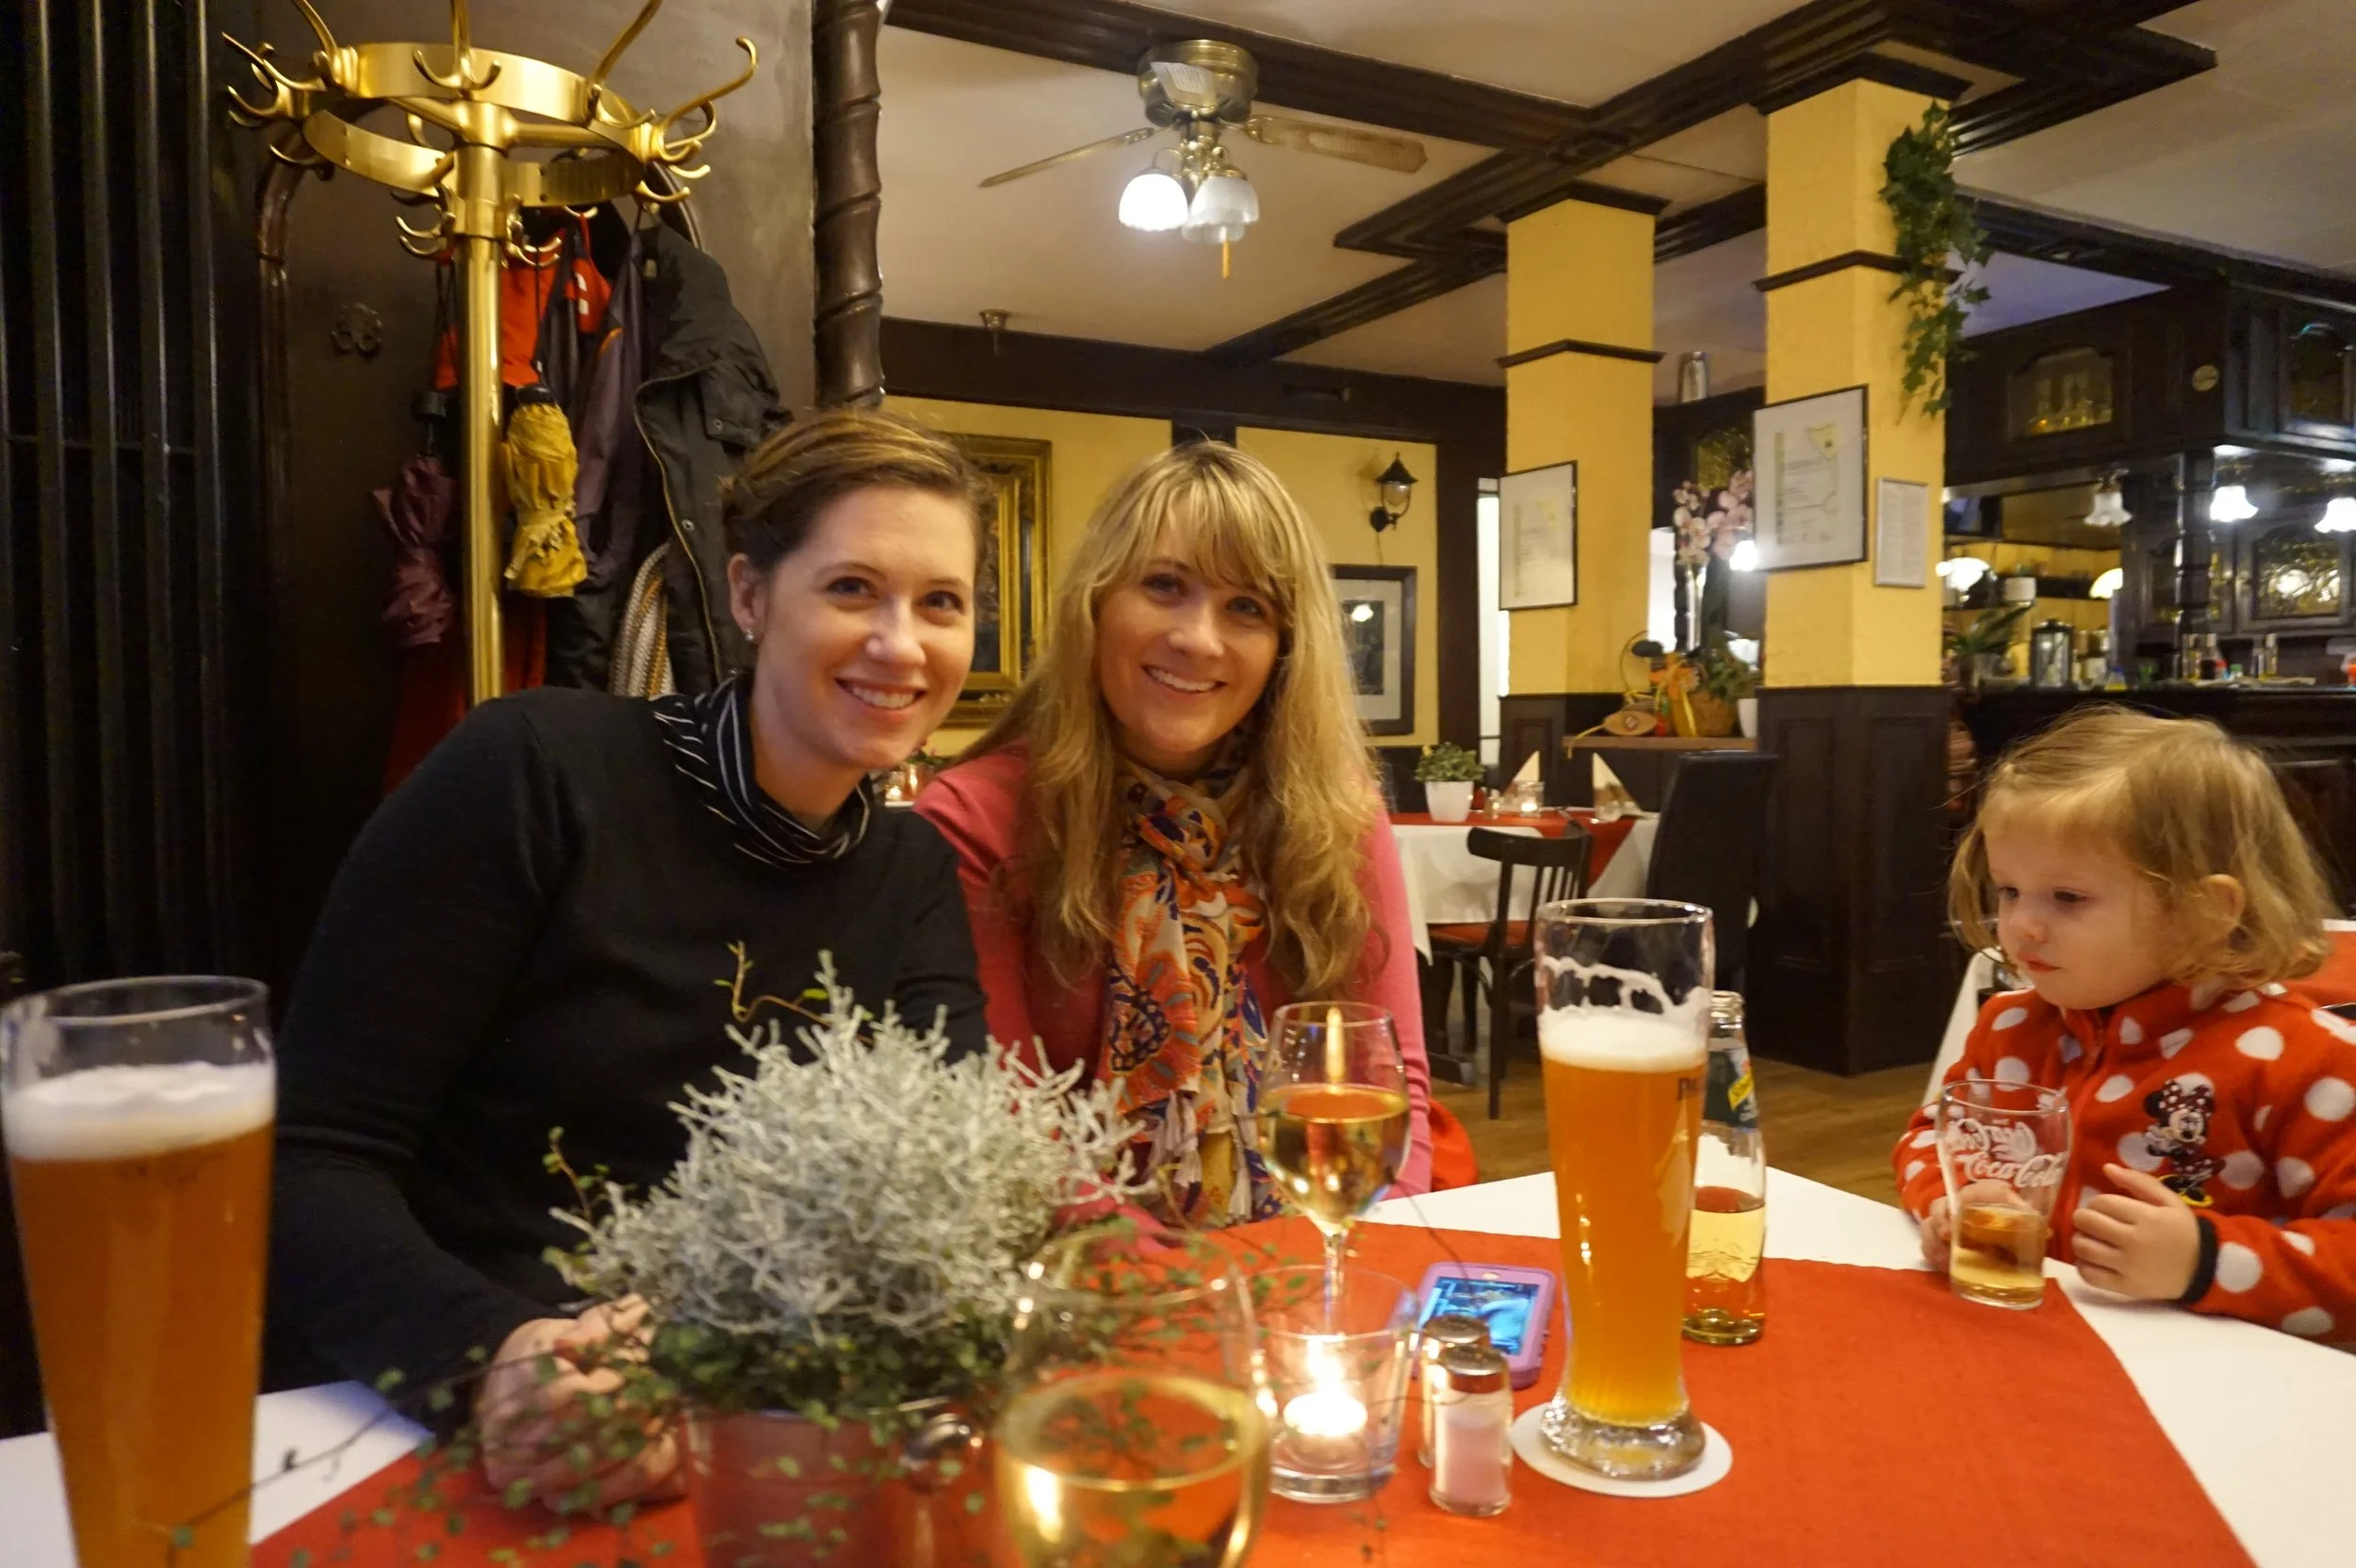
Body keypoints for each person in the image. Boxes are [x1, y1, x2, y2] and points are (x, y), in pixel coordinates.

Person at [270, 408, 991, 1504]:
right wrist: (494, 1362)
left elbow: (948, 1181)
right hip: (457, 1415)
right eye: (852, 588)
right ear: (749, 595)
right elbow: (310, 1160)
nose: (902, 644)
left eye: (941, 602)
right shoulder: (537, 773)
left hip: (748, 1412)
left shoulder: (911, 868)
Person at [917, 441, 1434, 1227]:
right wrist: (1207, 1287)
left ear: (1285, 648)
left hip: (1309, 1257)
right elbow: (1018, 1140)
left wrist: (1358, 1263)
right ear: (1095, 604)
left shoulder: (1339, 814)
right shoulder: (975, 819)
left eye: (1247, 607)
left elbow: (1393, 1096)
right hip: (1078, 1274)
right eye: (1165, 586)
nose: (1199, 639)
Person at [1897, 706, 2355, 1340]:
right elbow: (1930, 1137)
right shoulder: (2011, 1027)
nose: (2021, 925)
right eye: (2009, 890)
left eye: (2068, 897)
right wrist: (1953, 1199)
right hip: (2029, 1343)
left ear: (2205, 910)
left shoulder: (2306, 1062)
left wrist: (2202, 1261)